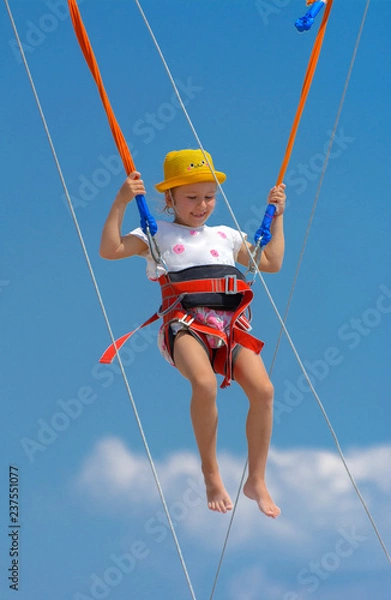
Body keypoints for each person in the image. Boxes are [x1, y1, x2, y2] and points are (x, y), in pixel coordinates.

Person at [100, 149, 286, 518]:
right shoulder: (156, 234)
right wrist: (121, 202)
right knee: (204, 384)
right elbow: (111, 249)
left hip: (230, 327)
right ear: (169, 199)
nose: (201, 205)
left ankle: (257, 479)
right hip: (184, 326)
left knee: (264, 391)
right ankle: (211, 473)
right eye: (191, 197)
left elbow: (271, 262)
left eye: (209, 196)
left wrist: (277, 219)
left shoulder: (226, 235)